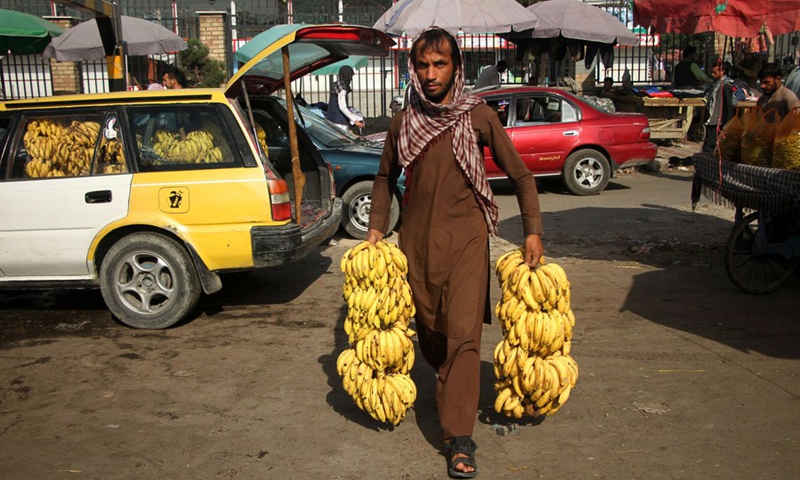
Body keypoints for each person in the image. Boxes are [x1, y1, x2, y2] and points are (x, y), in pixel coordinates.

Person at [365, 27, 544, 478]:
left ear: (456, 67)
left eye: (439, 64)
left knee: (464, 338)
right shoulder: (404, 122)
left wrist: (533, 232)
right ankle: (447, 385)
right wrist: (375, 228)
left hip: (467, 242)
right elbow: (385, 178)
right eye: (423, 65)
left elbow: (522, 177)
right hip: (417, 249)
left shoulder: (479, 116)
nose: (430, 74)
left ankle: (459, 438)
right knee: (433, 338)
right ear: (413, 68)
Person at [703, 63, 735, 155]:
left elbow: (729, 106)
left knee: (710, 146)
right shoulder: (716, 84)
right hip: (713, 119)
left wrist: (727, 124)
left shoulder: (726, 86)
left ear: (722, 71)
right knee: (709, 145)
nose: (712, 75)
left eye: (714, 72)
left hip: (719, 121)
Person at [325, 65, 365, 132]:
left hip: (333, 118)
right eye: (350, 76)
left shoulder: (337, 84)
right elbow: (342, 107)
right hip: (339, 122)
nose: (351, 79)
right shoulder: (342, 89)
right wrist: (355, 121)